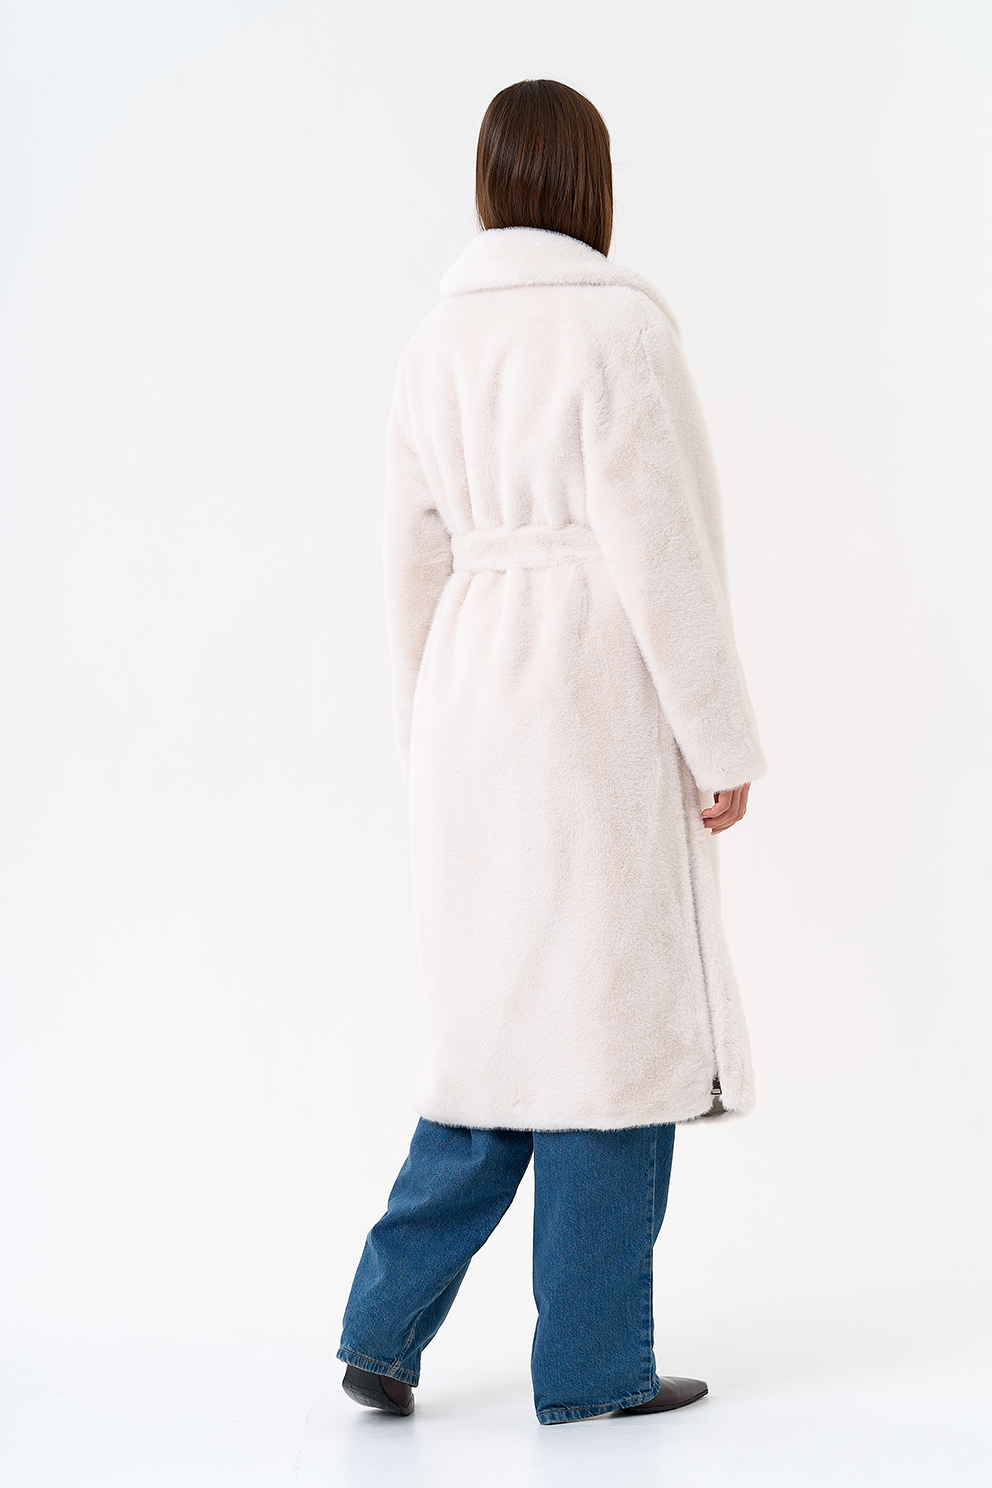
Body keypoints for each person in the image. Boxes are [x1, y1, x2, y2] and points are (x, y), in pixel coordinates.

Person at [337, 78, 766, 1427]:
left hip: (470, 694)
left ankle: (381, 1330)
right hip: (591, 697)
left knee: (492, 1035)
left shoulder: (433, 342)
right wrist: (717, 737)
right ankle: (591, 1365)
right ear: (590, 182)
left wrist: (424, 732)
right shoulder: (616, 328)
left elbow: (408, 558)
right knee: (612, 1038)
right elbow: (663, 550)